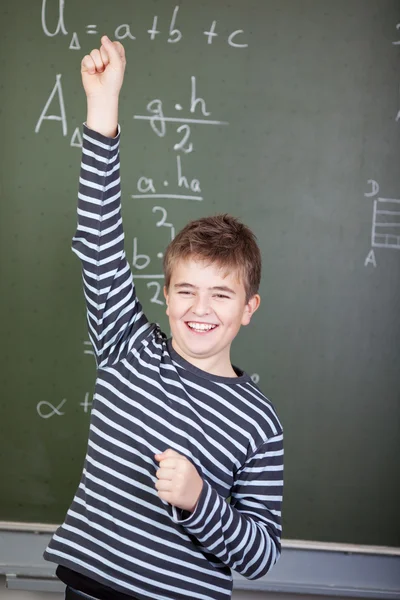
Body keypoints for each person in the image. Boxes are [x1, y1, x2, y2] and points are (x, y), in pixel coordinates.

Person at [43, 36, 284, 600]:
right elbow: (99, 239)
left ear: (249, 308)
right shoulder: (126, 344)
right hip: (87, 585)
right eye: (187, 291)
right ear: (167, 295)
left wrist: (200, 499)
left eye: (222, 296)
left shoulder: (259, 421)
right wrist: (103, 109)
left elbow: (262, 555)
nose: (201, 309)